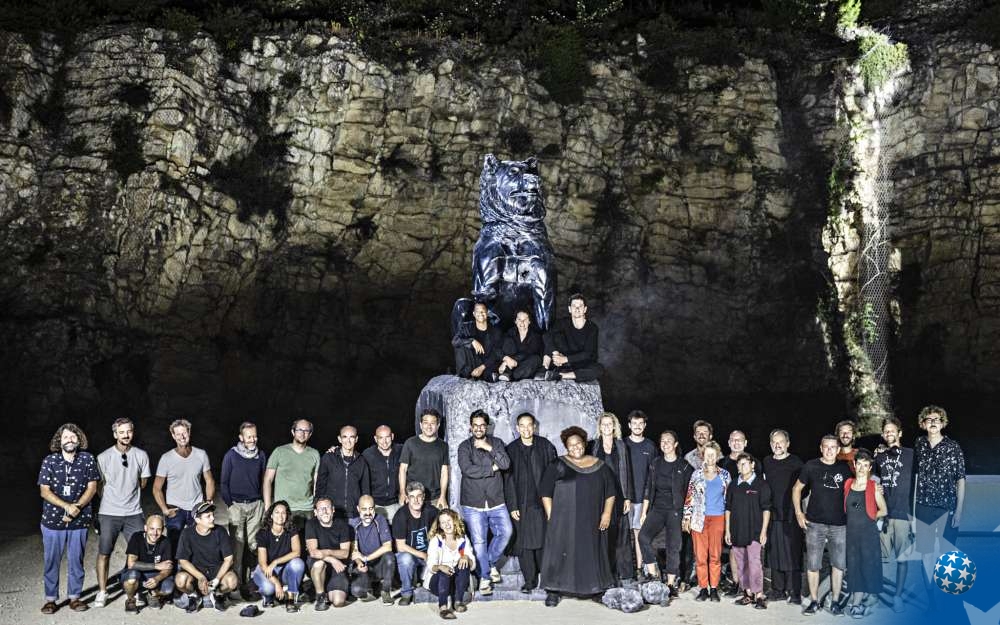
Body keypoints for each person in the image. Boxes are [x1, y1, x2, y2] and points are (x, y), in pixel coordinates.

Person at [539, 426, 618, 607]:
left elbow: (610, 492)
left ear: (584, 444)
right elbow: (545, 492)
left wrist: (606, 513)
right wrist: (552, 516)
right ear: (566, 447)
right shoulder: (557, 464)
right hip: (563, 520)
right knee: (559, 552)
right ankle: (553, 590)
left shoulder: (600, 465)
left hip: (591, 519)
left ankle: (595, 589)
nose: (576, 448)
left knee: (592, 552)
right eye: (571, 445)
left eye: (579, 444)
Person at [37, 423, 100, 614]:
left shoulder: (88, 459)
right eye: (65, 437)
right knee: (51, 560)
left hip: (79, 521)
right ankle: (51, 599)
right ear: (59, 440)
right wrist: (66, 506)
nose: (69, 440)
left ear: (79, 440)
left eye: (73, 437)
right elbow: (44, 491)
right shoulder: (50, 461)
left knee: (76, 560)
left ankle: (75, 597)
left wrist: (78, 507)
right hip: (52, 521)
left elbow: (92, 488)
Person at [792, 435, 853, 616]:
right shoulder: (811, 466)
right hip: (815, 523)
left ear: (838, 449)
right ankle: (814, 601)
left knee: (838, 564)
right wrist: (799, 513)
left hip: (839, 524)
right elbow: (796, 489)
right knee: (813, 564)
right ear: (821, 448)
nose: (829, 450)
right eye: (826, 447)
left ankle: (834, 602)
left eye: (833, 447)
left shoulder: (845, 468)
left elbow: (858, 485)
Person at [94, 417, 151, 608]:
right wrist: (112, 501)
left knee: (138, 553)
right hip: (109, 512)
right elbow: (99, 486)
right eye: (122, 432)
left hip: (133, 512)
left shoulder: (141, 455)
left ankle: (135, 588)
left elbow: (143, 482)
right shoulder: (103, 457)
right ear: (114, 434)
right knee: (104, 552)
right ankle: (102, 592)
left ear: (133, 432)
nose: (126, 435)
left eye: (129, 431)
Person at [913, 405, 966, 607]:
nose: (933, 422)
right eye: (929, 419)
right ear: (923, 423)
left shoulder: (953, 447)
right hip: (924, 506)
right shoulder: (919, 444)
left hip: (947, 506)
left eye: (937, 419)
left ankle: (949, 598)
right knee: (926, 554)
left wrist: (959, 510)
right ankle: (931, 599)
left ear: (943, 423)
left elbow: (960, 479)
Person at [457, 409, 512, 596]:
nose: (479, 428)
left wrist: (489, 448)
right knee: (479, 541)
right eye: (475, 425)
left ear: (487, 426)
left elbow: (505, 464)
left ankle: (487, 563)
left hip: (496, 500)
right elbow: (467, 470)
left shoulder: (496, 443)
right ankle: (485, 578)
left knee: (506, 532)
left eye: (482, 425)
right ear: (470, 427)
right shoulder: (464, 447)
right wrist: (491, 468)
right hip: (473, 503)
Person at [504, 412, 557, 593]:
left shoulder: (545, 446)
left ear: (534, 426)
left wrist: (552, 503)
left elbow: (554, 475)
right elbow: (508, 480)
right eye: (522, 426)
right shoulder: (511, 449)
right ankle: (530, 581)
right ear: (517, 428)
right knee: (524, 543)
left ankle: (547, 580)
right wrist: (512, 506)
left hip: (542, 503)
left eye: (529, 425)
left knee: (544, 542)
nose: (526, 429)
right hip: (521, 504)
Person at [638, 430, 693, 600]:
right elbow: (648, 488)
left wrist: (687, 516)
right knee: (643, 537)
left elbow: (690, 495)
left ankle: (670, 584)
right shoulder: (655, 463)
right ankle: (654, 575)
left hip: (675, 511)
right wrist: (644, 512)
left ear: (675, 444)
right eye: (662, 441)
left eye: (669, 441)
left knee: (673, 546)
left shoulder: (685, 467)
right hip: (657, 509)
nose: (665, 444)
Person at [153, 419, 215, 556]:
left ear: (189, 433)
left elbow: (209, 480)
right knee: (174, 547)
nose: (182, 437)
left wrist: (209, 501)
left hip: (196, 507)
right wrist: (164, 509)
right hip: (175, 509)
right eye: (178, 434)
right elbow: (157, 488)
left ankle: (195, 575)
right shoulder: (166, 458)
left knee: (198, 545)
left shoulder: (201, 454)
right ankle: (174, 575)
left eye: (184, 433)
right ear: (173, 436)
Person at [220, 421, 267, 597]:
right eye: (249, 436)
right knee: (237, 547)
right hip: (236, 505)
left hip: (256, 505)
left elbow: (263, 480)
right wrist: (230, 503)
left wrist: (262, 502)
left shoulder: (260, 455)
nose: (253, 439)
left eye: (255, 436)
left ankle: (254, 582)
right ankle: (236, 586)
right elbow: (223, 482)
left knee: (255, 545)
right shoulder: (231, 455)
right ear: (241, 437)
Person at [587, 412, 635, 582]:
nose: (607, 427)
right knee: (602, 533)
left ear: (614, 426)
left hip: (619, 495)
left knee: (620, 534)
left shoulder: (621, 446)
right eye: (604, 424)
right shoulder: (593, 446)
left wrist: (628, 497)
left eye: (610, 424)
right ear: (599, 427)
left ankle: (625, 574)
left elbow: (627, 471)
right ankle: (604, 572)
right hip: (599, 496)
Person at [874, 415, 914, 613]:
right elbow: (871, 479)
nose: (889, 434)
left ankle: (897, 596)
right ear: (883, 434)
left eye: (893, 431)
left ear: (900, 433)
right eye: (886, 431)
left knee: (902, 558)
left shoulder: (910, 454)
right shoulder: (879, 456)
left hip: (903, 514)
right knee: (879, 557)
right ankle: (875, 592)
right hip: (883, 515)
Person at [683, 441, 730, 602]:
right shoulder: (696, 475)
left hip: (718, 518)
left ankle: (714, 588)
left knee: (715, 555)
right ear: (703, 456)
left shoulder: (725, 475)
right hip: (699, 519)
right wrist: (687, 518)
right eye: (707, 454)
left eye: (713, 454)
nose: (710, 457)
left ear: (717, 456)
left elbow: (729, 500)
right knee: (701, 556)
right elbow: (689, 498)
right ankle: (703, 588)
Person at [762, 429, 804, 605]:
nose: (777, 445)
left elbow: (804, 487)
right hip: (773, 513)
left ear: (787, 443)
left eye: (781, 442)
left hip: (791, 514)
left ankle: (794, 591)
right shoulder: (767, 461)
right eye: (774, 442)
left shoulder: (796, 462)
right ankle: (778, 589)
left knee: (793, 552)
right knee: (775, 553)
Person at [843, 449, 887, 618]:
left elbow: (884, 509)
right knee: (854, 566)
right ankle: (856, 601)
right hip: (851, 533)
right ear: (854, 465)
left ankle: (867, 598)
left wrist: (871, 516)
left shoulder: (874, 486)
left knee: (869, 565)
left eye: (865, 465)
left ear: (870, 468)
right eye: (859, 464)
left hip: (868, 533)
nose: (861, 468)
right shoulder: (847, 484)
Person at [725, 453, 772, 610]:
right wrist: (727, 531)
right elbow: (728, 509)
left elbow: (766, 509)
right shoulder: (733, 485)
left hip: (755, 531)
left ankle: (759, 595)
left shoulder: (761, 485)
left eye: (745, 463)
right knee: (741, 563)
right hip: (737, 530)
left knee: (754, 562)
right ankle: (748, 593)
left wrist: (764, 531)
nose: (741, 467)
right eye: (739, 464)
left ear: (752, 465)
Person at [174, 501, 239, 613]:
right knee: (180, 580)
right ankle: (194, 596)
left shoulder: (220, 532)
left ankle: (218, 595)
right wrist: (200, 577)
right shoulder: (187, 533)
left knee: (232, 581)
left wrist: (217, 579)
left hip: (216, 571)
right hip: (196, 572)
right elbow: (183, 561)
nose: (213, 518)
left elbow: (229, 559)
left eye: (213, 515)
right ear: (197, 520)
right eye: (208, 516)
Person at [264, 419, 321, 530]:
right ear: (293, 432)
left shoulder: (314, 454)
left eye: (306, 430)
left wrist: (315, 506)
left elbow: (316, 483)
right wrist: (268, 507)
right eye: (299, 430)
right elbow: (268, 480)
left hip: (307, 509)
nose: (302, 433)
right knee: (285, 545)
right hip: (285, 508)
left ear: (310, 434)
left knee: (307, 545)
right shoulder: (279, 452)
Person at [253, 501, 306, 612]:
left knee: (298, 563)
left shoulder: (291, 529)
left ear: (287, 516)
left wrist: (276, 561)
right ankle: (268, 597)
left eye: (283, 513)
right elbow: (263, 564)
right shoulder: (263, 533)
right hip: (265, 570)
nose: (280, 516)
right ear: (271, 515)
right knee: (269, 588)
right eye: (277, 512)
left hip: (284, 570)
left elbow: (297, 552)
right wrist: (276, 583)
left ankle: (290, 600)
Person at [425, 508, 477, 619]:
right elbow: (430, 566)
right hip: (438, 583)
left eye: (449, 521)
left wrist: (466, 557)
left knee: (464, 562)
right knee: (444, 571)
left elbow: (473, 566)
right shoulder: (436, 540)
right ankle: (443, 608)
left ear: (454, 521)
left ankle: (458, 601)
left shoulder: (463, 539)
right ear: (440, 525)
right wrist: (440, 566)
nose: (447, 525)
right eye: (443, 522)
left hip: (457, 583)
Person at [393, 481, 438, 605]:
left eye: (419, 496)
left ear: (424, 497)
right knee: (405, 559)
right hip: (411, 555)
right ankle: (406, 593)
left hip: (428, 555)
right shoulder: (400, 516)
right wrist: (423, 555)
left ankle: (422, 579)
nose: (416, 500)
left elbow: (441, 534)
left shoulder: (431, 511)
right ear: (407, 499)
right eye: (412, 497)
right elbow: (400, 546)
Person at [541, 293, 603, 382]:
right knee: (553, 337)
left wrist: (564, 359)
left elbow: (587, 353)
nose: (577, 309)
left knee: (599, 369)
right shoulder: (563, 323)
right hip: (565, 362)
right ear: (570, 309)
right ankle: (545, 367)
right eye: (574, 306)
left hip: (583, 363)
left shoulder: (592, 328)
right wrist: (555, 353)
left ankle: (562, 375)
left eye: (580, 306)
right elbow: (546, 335)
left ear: (585, 309)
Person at [304, 497, 353, 610]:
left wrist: (328, 552)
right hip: (320, 564)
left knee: (338, 602)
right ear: (316, 512)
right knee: (319, 564)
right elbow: (313, 552)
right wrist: (332, 559)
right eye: (321, 509)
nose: (325, 511)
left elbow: (345, 553)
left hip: (337, 568)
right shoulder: (311, 524)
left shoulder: (342, 525)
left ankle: (317, 587)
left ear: (333, 510)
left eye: (327, 508)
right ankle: (320, 596)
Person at [624, 410, 657, 577]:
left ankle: (639, 568)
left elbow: (653, 476)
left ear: (644, 425)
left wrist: (648, 499)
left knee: (640, 534)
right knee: (625, 534)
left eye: (640, 423)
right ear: (629, 425)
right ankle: (626, 568)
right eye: (634, 423)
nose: (637, 426)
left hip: (642, 499)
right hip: (626, 499)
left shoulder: (650, 447)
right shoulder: (622, 444)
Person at [121, 514, 175, 613]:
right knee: (132, 577)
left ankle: (152, 594)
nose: (155, 533)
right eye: (152, 528)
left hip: (154, 575)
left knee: (168, 589)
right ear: (145, 528)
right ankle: (131, 599)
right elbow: (131, 564)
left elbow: (168, 567)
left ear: (163, 529)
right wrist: (156, 566)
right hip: (137, 573)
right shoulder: (137, 537)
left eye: (158, 529)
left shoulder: (166, 541)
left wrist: (157, 579)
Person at [316, 425, 370, 519]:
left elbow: (366, 490)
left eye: (352, 437)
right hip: (332, 515)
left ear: (356, 439)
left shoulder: (362, 461)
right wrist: (318, 508)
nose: (348, 441)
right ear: (339, 439)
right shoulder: (328, 458)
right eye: (345, 437)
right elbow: (320, 486)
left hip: (354, 515)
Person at [399, 409, 450, 509]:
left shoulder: (443, 446)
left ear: (438, 425)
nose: (429, 426)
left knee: (436, 524)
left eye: (433, 423)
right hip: (413, 497)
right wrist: (402, 492)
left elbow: (444, 472)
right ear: (421, 425)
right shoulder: (410, 443)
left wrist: (443, 496)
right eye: (426, 423)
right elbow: (402, 469)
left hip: (435, 498)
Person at [349, 495, 395, 603]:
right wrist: (359, 562)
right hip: (365, 567)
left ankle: (385, 591)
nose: (368, 513)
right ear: (358, 509)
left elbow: (388, 546)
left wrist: (365, 558)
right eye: (364, 509)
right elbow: (354, 550)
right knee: (356, 590)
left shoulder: (380, 520)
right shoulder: (353, 523)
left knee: (389, 556)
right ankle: (373, 588)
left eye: (371, 508)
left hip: (379, 564)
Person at [452, 301, 503, 381]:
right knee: (460, 344)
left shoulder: (496, 331)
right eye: (478, 311)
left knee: (494, 364)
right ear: (474, 314)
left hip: (487, 364)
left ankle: (490, 376)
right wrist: (472, 341)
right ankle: (466, 375)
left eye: (483, 311)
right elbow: (455, 341)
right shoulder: (466, 327)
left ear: (487, 313)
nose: (481, 313)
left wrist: (482, 367)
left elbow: (497, 353)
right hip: (472, 363)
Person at [363, 425, 403, 520]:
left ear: (392, 436)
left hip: (395, 504)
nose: (384, 442)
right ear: (375, 438)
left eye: (387, 437)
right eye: (381, 438)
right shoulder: (367, 454)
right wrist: (335, 450)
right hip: (376, 505)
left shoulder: (401, 450)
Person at [497, 309, 544, 381]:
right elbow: (497, 348)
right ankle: (507, 373)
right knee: (508, 342)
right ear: (515, 321)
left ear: (529, 321)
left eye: (525, 319)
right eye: (519, 319)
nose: (522, 322)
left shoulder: (535, 336)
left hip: (525, 364)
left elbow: (528, 353)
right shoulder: (510, 333)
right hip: (511, 363)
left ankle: (509, 374)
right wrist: (505, 358)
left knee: (535, 359)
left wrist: (508, 363)